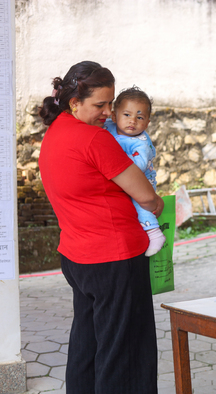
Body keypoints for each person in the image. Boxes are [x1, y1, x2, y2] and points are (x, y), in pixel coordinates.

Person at [38, 61, 163, 394]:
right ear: (74, 102)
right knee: (124, 354)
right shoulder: (94, 139)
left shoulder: (54, 135)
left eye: (111, 104)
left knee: (88, 346)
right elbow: (145, 195)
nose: (108, 113)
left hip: (78, 258)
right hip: (113, 258)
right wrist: (156, 205)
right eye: (100, 105)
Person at [104, 86, 165, 257]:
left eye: (139, 117)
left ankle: (154, 233)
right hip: (124, 175)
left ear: (147, 123)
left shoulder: (140, 143)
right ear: (114, 116)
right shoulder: (108, 127)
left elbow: (137, 168)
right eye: (127, 115)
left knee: (141, 202)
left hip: (141, 178)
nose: (132, 121)